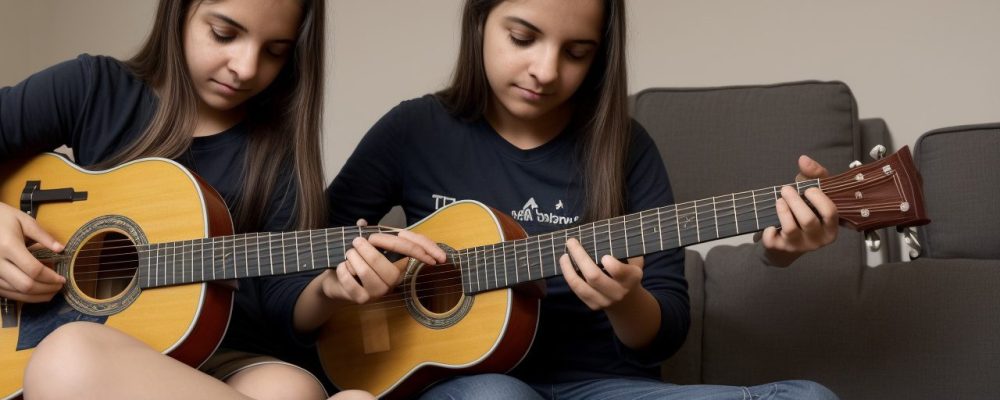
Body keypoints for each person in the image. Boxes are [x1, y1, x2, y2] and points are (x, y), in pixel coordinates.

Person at [323, 0, 840, 399]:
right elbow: (313, 252)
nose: (546, 71)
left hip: (600, 386)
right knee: (496, 394)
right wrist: (354, 275)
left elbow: (666, 331)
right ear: (479, 19)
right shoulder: (414, 130)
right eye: (523, 38)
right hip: (469, 385)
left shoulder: (626, 148)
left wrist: (626, 302)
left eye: (576, 52)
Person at [0, 0, 444, 399]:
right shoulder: (94, 87)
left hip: (211, 355)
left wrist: (330, 288)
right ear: (180, 10)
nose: (247, 67)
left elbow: (281, 298)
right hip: (74, 345)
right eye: (224, 34)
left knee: (291, 389)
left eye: (275, 50)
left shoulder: (276, 154)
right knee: (68, 355)